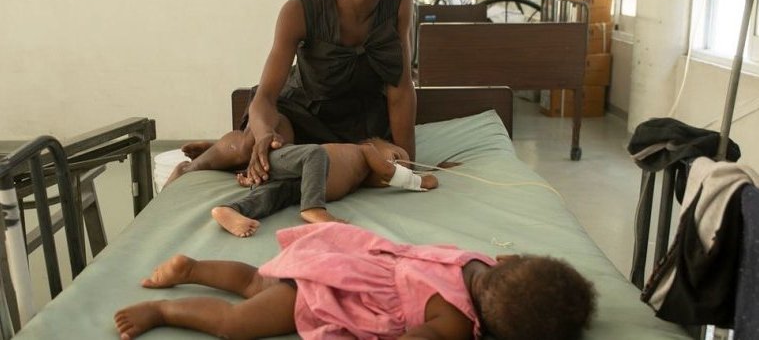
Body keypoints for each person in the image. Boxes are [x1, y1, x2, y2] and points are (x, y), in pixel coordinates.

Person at [167, 0, 416, 188]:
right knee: (260, 145)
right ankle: (195, 165)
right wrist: (263, 133)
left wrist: (411, 167)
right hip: (301, 115)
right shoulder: (299, 11)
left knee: (382, 168)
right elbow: (264, 98)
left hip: (361, 123)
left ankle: (234, 150)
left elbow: (401, 87)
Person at [114, 222, 597, 340]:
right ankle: (164, 310)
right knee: (235, 323)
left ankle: (193, 268)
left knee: (256, 282)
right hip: (335, 292)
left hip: (342, 255)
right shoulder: (453, 321)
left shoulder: (481, 262)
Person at [213, 138, 438, 237]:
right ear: (375, 144)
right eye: (396, 157)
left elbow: (386, 175)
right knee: (316, 152)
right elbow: (388, 171)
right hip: (292, 159)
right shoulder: (366, 150)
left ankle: (231, 210)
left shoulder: (356, 181)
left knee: (274, 195)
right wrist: (418, 181)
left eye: (402, 167)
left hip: (295, 182)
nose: (394, 166)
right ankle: (313, 208)